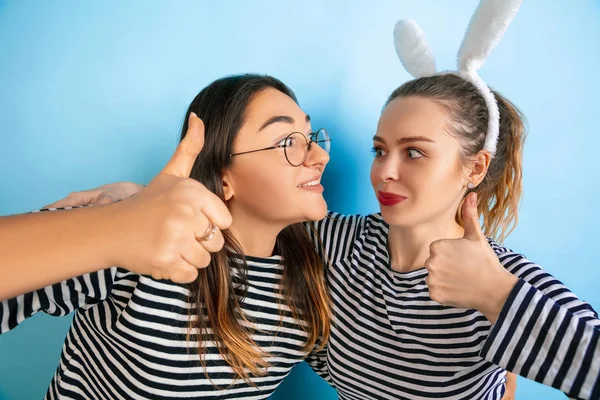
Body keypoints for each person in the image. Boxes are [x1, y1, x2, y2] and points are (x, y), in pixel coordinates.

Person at [0, 74, 333, 399]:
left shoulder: (321, 262)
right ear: (223, 176)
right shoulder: (133, 238)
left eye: (309, 136)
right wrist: (110, 225)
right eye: (287, 142)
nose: (320, 156)